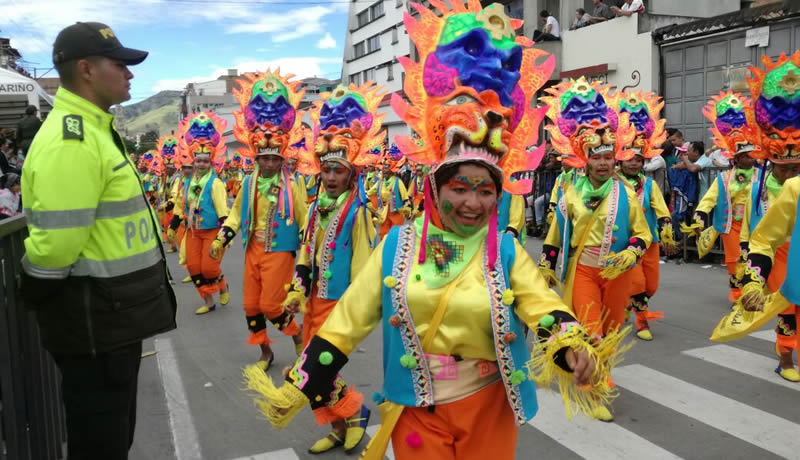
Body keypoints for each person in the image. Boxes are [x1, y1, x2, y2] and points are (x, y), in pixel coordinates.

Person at [244, 5, 625, 460]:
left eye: (486, 191)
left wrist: (571, 349)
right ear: (433, 187)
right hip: (417, 410)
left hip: (489, 408)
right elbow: (346, 323)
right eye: (460, 188)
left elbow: (544, 307)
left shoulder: (503, 250)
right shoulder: (398, 247)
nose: (473, 203)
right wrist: (304, 381)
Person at [19, 22, 176, 460]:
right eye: (120, 64)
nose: (130, 74)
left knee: (112, 437)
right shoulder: (74, 139)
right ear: (86, 69)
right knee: (100, 443)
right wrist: (34, 290)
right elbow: (55, 249)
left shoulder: (93, 130)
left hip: (110, 319)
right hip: (93, 323)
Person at [279, 82, 385, 454]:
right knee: (315, 368)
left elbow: (365, 267)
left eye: (337, 171)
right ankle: (340, 425)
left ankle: (354, 413)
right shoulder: (314, 208)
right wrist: (296, 289)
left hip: (338, 303)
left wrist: (357, 311)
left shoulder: (357, 214)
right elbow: (306, 252)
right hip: (312, 299)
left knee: (316, 368)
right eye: (326, 170)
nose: (329, 177)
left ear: (351, 175)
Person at [540, 77, 650, 421]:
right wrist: (546, 267)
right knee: (591, 331)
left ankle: (596, 373)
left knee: (612, 332)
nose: (603, 164)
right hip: (585, 271)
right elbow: (556, 235)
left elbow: (642, 234)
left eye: (608, 158)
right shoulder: (571, 194)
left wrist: (632, 252)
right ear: (584, 161)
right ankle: (596, 389)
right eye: (597, 158)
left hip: (618, 274)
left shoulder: (627, 195)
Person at [214, 70, 307, 370]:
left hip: (280, 250)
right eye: (264, 158)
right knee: (251, 307)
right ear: (257, 158)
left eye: (274, 159)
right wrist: (222, 238)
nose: (268, 163)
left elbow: (305, 221)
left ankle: (297, 333)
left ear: (282, 159)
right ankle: (265, 353)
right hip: (252, 249)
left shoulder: (293, 185)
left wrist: (308, 257)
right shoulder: (249, 183)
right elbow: (236, 214)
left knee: (270, 306)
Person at [717, 51, 800, 384]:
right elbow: (763, 236)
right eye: (787, 167)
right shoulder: (761, 186)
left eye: (797, 166)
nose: (792, 171)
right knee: (788, 307)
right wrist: (754, 276)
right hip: (781, 253)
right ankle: (784, 353)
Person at [609, 90, 676, 341]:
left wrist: (667, 230)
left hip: (651, 240)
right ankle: (642, 322)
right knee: (637, 283)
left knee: (651, 285)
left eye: (638, 159)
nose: (634, 164)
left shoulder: (648, 185)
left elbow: (661, 208)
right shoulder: (613, 184)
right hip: (626, 242)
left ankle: (630, 302)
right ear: (620, 161)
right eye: (629, 160)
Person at [685, 91, 759, 303]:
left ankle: (751, 290)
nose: (748, 159)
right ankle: (737, 293)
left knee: (752, 258)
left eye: (751, 155)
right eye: (744, 156)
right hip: (731, 224)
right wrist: (699, 216)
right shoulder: (724, 178)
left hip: (754, 223)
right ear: (736, 157)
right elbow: (709, 199)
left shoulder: (762, 177)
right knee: (735, 260)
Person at [168, 111, 230, 314]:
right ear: (193, 163)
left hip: (212, 231)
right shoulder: (187, 183)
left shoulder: (216, 184)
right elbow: (180, 206)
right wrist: (173, 226)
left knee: (209, 268)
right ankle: (208, 301)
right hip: (193, 231)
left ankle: (222, 284)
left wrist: (223, 238)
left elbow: (223, 212)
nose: (201, 164)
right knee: (194, 268)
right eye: (198, 161)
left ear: (211, 162)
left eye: (205, 161)